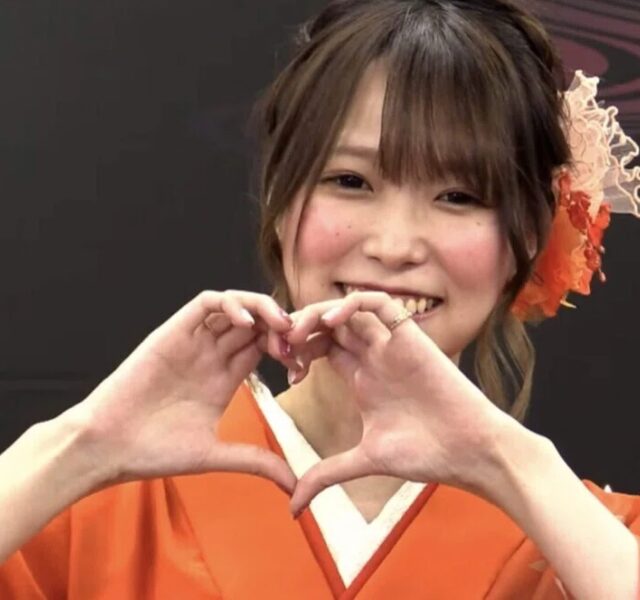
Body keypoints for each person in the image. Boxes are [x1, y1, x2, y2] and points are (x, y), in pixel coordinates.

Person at [1, 0, 640, 598]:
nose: (394, 246)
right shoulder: (87, 501)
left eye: (460, 196)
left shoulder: (591, 538)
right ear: (279, 202)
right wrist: (83, 444)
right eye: (350, 180)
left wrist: (511, 463)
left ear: (528, 235)